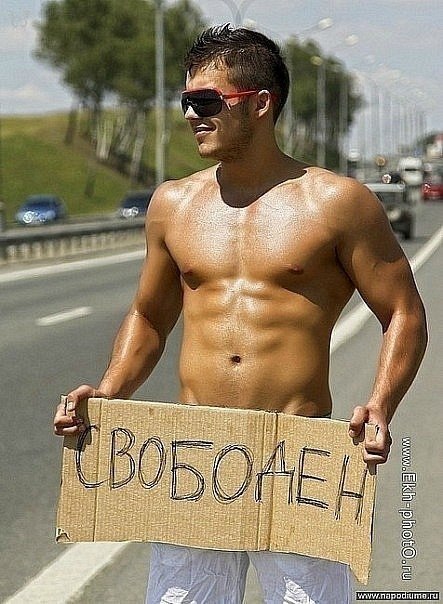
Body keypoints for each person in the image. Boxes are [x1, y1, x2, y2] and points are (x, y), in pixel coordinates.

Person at [53, 24, 427, 604]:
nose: (191, 115)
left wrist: (381, 403)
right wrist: (107, 393)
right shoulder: (174, 204)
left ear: (259, 104)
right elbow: (149, 317)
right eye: (186, 101)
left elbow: (403, 312)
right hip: (193, 458)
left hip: (298, 458)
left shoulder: (337, 203)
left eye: (207, 101)